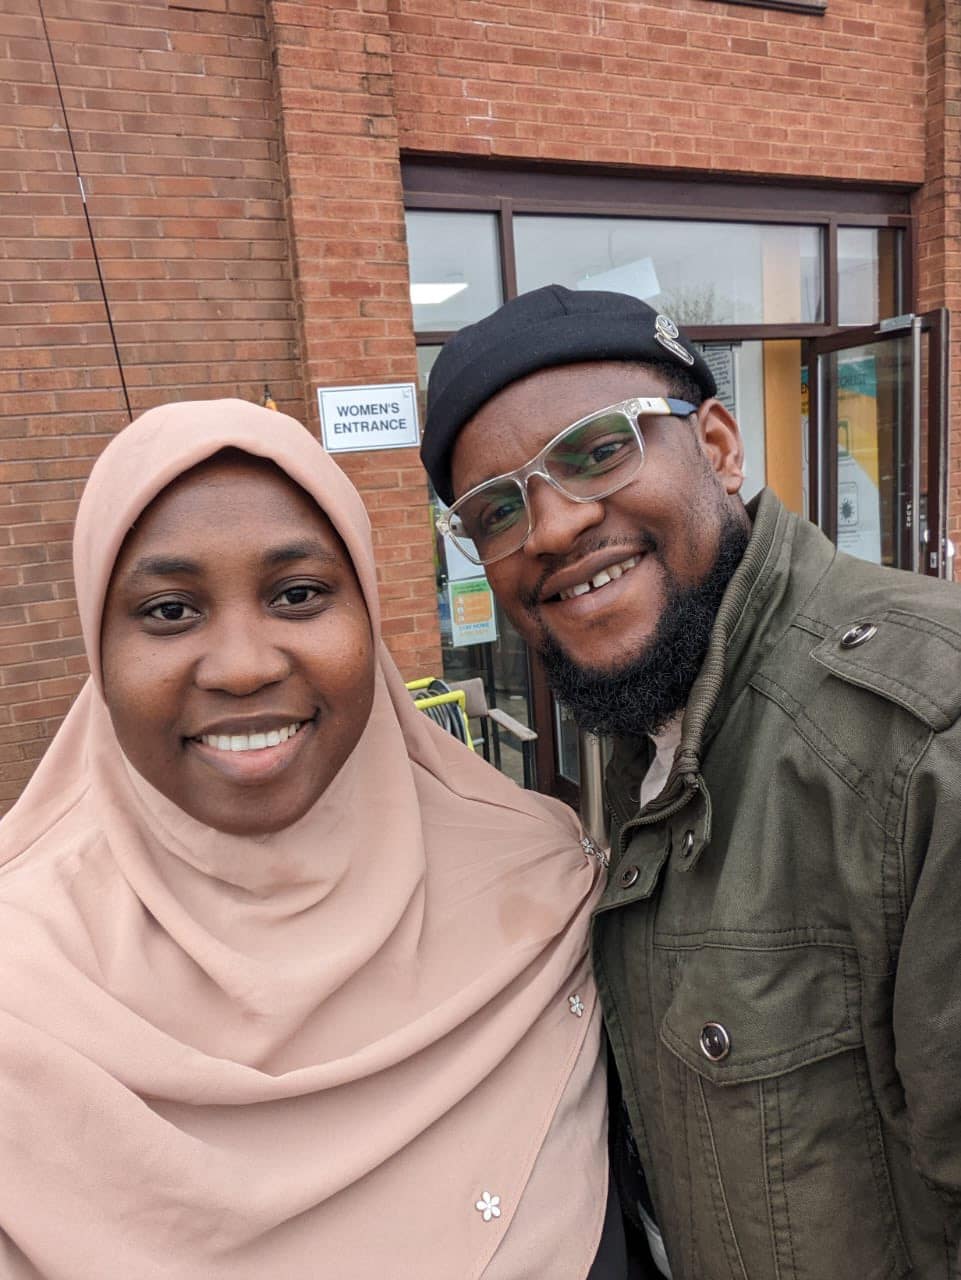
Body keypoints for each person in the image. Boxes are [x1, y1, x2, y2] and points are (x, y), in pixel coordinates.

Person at [0, 399, 630, 1279]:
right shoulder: (22, 978)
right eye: (169, 610)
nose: (245, 666)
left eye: (298, 595)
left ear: (369, 617)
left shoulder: (548, 885)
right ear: (97, 653)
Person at [420, 284, 961, 1279]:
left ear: (716, 446)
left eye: (596, 451)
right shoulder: (649, 727)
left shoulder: (922, 738)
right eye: (494, 508)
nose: (550, 527)